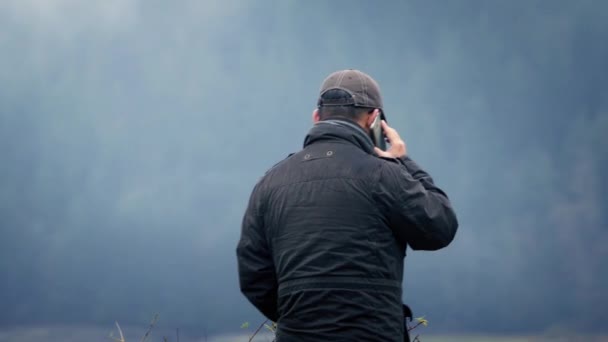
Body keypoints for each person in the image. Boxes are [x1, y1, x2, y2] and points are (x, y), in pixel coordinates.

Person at [236, 69, 459, 341]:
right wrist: (402, 161)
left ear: (316, 117)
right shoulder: (383, 174)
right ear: (375, 119)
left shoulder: (269, 183)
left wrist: (302, 318)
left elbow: (253, 275)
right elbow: (439, 228)